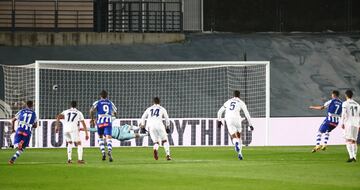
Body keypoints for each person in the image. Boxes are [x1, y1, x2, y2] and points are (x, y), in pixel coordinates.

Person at [217, 90, 254, 160]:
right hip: (237, 120)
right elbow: (247, 114)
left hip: (229, 119)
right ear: (239, 95)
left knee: (234, 136)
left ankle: (236, 144)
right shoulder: (241, 103)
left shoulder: (228, 102)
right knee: (239, 137)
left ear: (233, 95)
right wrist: (250, 124)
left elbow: (219, 111)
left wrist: (219, 120)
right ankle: (240, 153)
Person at [90, 90, 117, 162]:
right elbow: (115, 112)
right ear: (107, 96)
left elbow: (91, 110)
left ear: (100, 96)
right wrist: (113, 117)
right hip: (108, 122)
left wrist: (92, 119)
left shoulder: (97, 102)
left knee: (100, 137)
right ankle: (109, 151)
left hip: (100, 122)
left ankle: (103, 152)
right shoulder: (110, 102)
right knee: (109, 137)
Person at [340, 90, 360, 162]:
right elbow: (358, 115)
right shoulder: (357, 104)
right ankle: (354, 157)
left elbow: (344, 113)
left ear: (346, 95)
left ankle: (351, 156)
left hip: (348, 123)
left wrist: (342, 122)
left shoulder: (345, 103)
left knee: (347, 140)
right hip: (356, 124)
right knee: (354, 141)